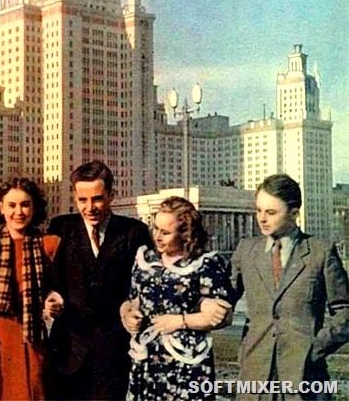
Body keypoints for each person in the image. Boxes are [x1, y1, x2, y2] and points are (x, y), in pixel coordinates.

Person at [231, 173, 349, 400]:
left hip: (305, 379)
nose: (262, 219)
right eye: (258, 210)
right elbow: (221, 298)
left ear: (294, 213)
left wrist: (314, 348)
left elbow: (345, 312)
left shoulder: (320, 253)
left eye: (271, 212)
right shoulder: (246, 250)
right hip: (254, 378)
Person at [46, 160, 152, 400]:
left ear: (111, 195)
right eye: (82, 200)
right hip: (68, 350)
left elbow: (146, 285)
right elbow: (48, 279)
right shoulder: (60, 228)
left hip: (115, 352)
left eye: (97, 199)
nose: (90, 207)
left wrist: (134, 310)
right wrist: (51, 297)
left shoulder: (134, 232)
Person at [121, 197, 233, 400]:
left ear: (186, 234)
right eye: (156, 228)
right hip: (147, 360)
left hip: (186, 364)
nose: (157, 237)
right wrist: (129, 316)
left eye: (165, 232)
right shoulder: (145, 260)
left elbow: (223, 317)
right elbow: (132, 300)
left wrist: (180, 321)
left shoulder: (205, 264)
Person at [0, 176, 60, 400]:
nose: (19, 212)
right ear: (1, 207)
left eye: (25, 205)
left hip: (31, 336)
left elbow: (60, 287)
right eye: (12, 205)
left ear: (34, 208)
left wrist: (54, 298)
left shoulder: (50, 245)